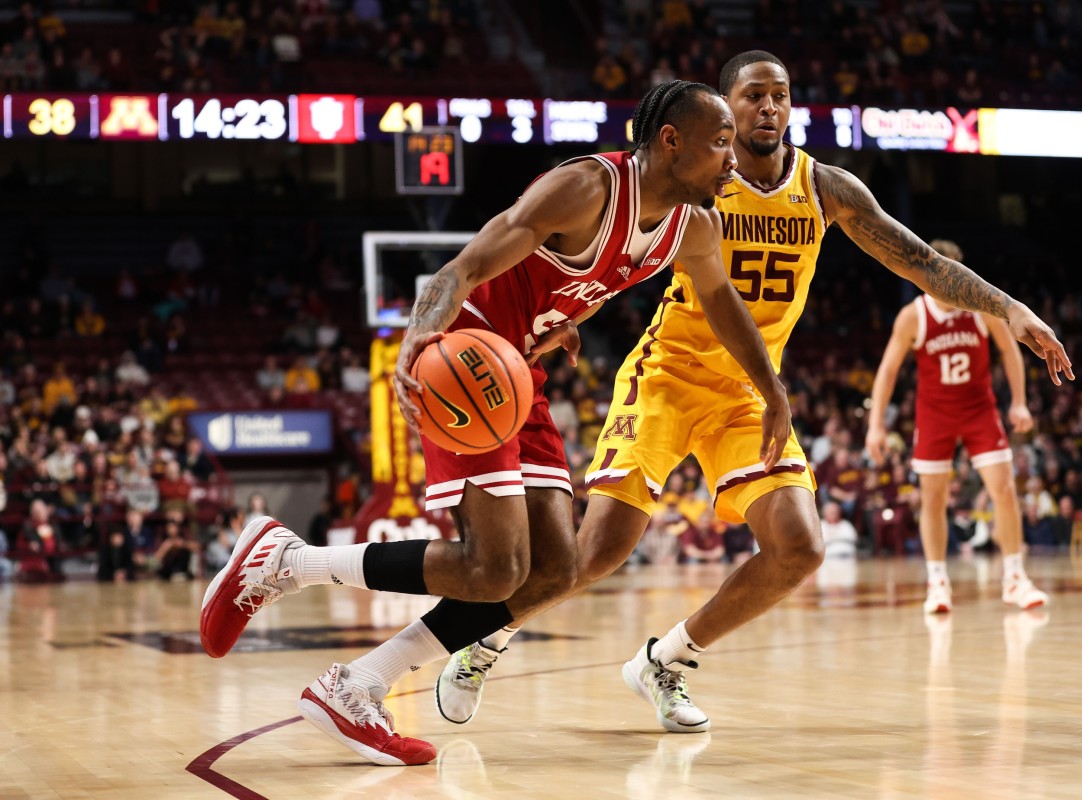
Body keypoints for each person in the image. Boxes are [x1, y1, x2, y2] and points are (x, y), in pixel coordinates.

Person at [434, 52, 1071, 735]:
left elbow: (923, 262)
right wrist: (559, 318)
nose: (769, 107)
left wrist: (1010, 309)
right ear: (723, 109)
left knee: (801, 546)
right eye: (753, 96)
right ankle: (484, 643)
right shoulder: (699, 183)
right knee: (597, 552)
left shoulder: (827, 189)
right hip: (669, 375)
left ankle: (666, 661)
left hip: (750, 392)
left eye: (781, 95)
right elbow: (622, 258)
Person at [200, 79, 794, 765]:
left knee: (550, 571)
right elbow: (470, 262)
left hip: (522, 372)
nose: (731, 158)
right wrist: (422, 333)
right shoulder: (588, 187)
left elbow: (717, 302)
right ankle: (287, 561)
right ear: (670, 141)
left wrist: (768, 388)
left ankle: (357, 684)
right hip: (468, 357)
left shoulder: (694, 226)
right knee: (493, 568)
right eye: (719, 141)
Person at [866, 239, 1050, 614]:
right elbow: (887, 371)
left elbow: (1010, 352)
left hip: (979, 409)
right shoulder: (913, 316)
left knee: (1003, 489)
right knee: (932, 499)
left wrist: (1018, 401)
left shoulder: (982, 310)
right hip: (934, 414)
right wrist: (875, 426)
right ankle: (937, 583)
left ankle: (1015, 578)